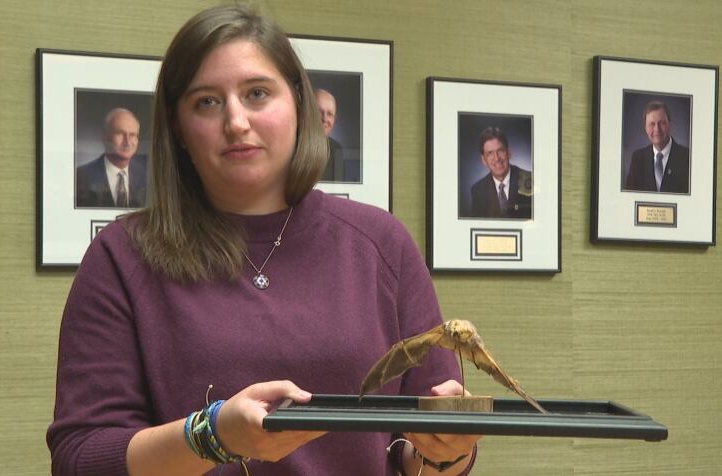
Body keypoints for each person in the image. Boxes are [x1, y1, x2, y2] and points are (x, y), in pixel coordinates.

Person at [47, 5, 479, 476]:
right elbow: (81, 459)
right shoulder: (121, 256)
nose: (235, 121)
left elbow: (424, 457)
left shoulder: (382, 243)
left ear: (298, 103)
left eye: (256, 93)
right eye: (207, 102)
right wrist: (211, 436)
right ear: (178, 127)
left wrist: (448, 451)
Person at [75, 107, 149, 208]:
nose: (127, 142)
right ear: (105, 137)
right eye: (120, 134)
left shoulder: (148, 174)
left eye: (132, 135)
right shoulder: (80, 176)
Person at [625, 100, 690, 193]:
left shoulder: (687, 157)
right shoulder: (638, 158)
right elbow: (629, 197)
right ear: (645, 128)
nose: (657, 129)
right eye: (652, 124)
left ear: (670, 125)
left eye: (662, 123)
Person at [470, 126, 532, 219]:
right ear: (483, 160)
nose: (496, 158)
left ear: (508, 152)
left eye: (500, 151)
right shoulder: (478, 191)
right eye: (490, 153)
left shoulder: (529, 180)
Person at [314, 88, 345, 182]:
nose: (324, 119)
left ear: (335, 118)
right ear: (308, 113)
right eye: (319, 112)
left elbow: (338, 189)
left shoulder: (337, 149)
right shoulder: (291, 145)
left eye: (330, 114)